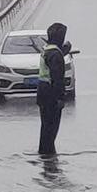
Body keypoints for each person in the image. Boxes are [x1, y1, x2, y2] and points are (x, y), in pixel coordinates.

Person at [37, 22, 70, 156]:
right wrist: (60, 98)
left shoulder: (47, 50)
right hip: (51, 95)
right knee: (52, 128)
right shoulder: (55, 55)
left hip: (42, 93)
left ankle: (44, 153)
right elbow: (58, 79)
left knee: (45, 126)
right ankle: (48, 155)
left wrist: (63, 51)